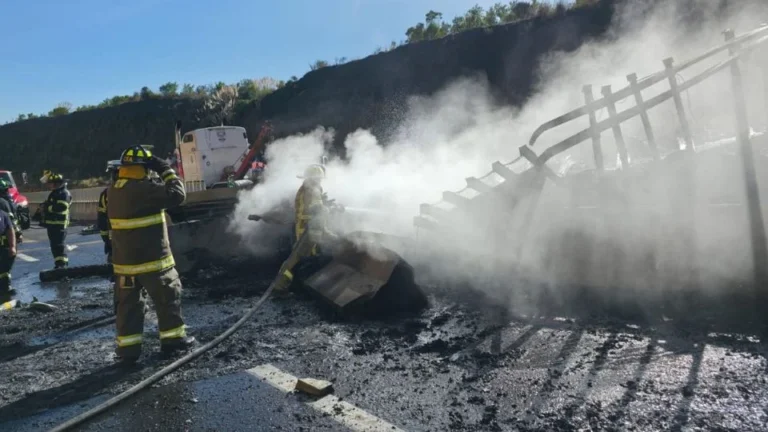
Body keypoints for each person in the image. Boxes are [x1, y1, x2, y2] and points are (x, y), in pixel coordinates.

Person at [108, 145, 195, 364]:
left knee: (128, 307)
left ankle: (128, 351)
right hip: (154, 262)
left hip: (125, 266)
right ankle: (173, 341)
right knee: (167, 299)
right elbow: (178, 195)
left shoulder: (114, 190)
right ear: (144, 168)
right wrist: (166, 169)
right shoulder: (145, 189)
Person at [270, 164, 340, 293]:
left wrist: (324, 204)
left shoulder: (308, 189)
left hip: (313, 228)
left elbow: (314, 206)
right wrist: (328, 208)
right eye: (318, 178)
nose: (319, 180)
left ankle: (299, 283)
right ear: (313, 178)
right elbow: (314, 209)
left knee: (303, 257)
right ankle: (280, 287)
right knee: (294, 260)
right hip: (308, 230)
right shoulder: (311, 190)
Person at [40, 173, 71, 269]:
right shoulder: (55, 193)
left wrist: (47, 207)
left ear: (56, 183)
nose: (48, 185)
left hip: (60, 224)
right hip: (52, 224)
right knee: (54, 246)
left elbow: (62, 206)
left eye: (50, 183)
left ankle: (63, 265)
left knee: (59, 245)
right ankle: (58, 264)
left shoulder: (64, 193)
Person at [0, 208, 17, 299]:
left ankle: (5, 288)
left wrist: (12, 246)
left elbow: (10, 231)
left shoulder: (3, 214)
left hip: (2, 247)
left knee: (4, 269)